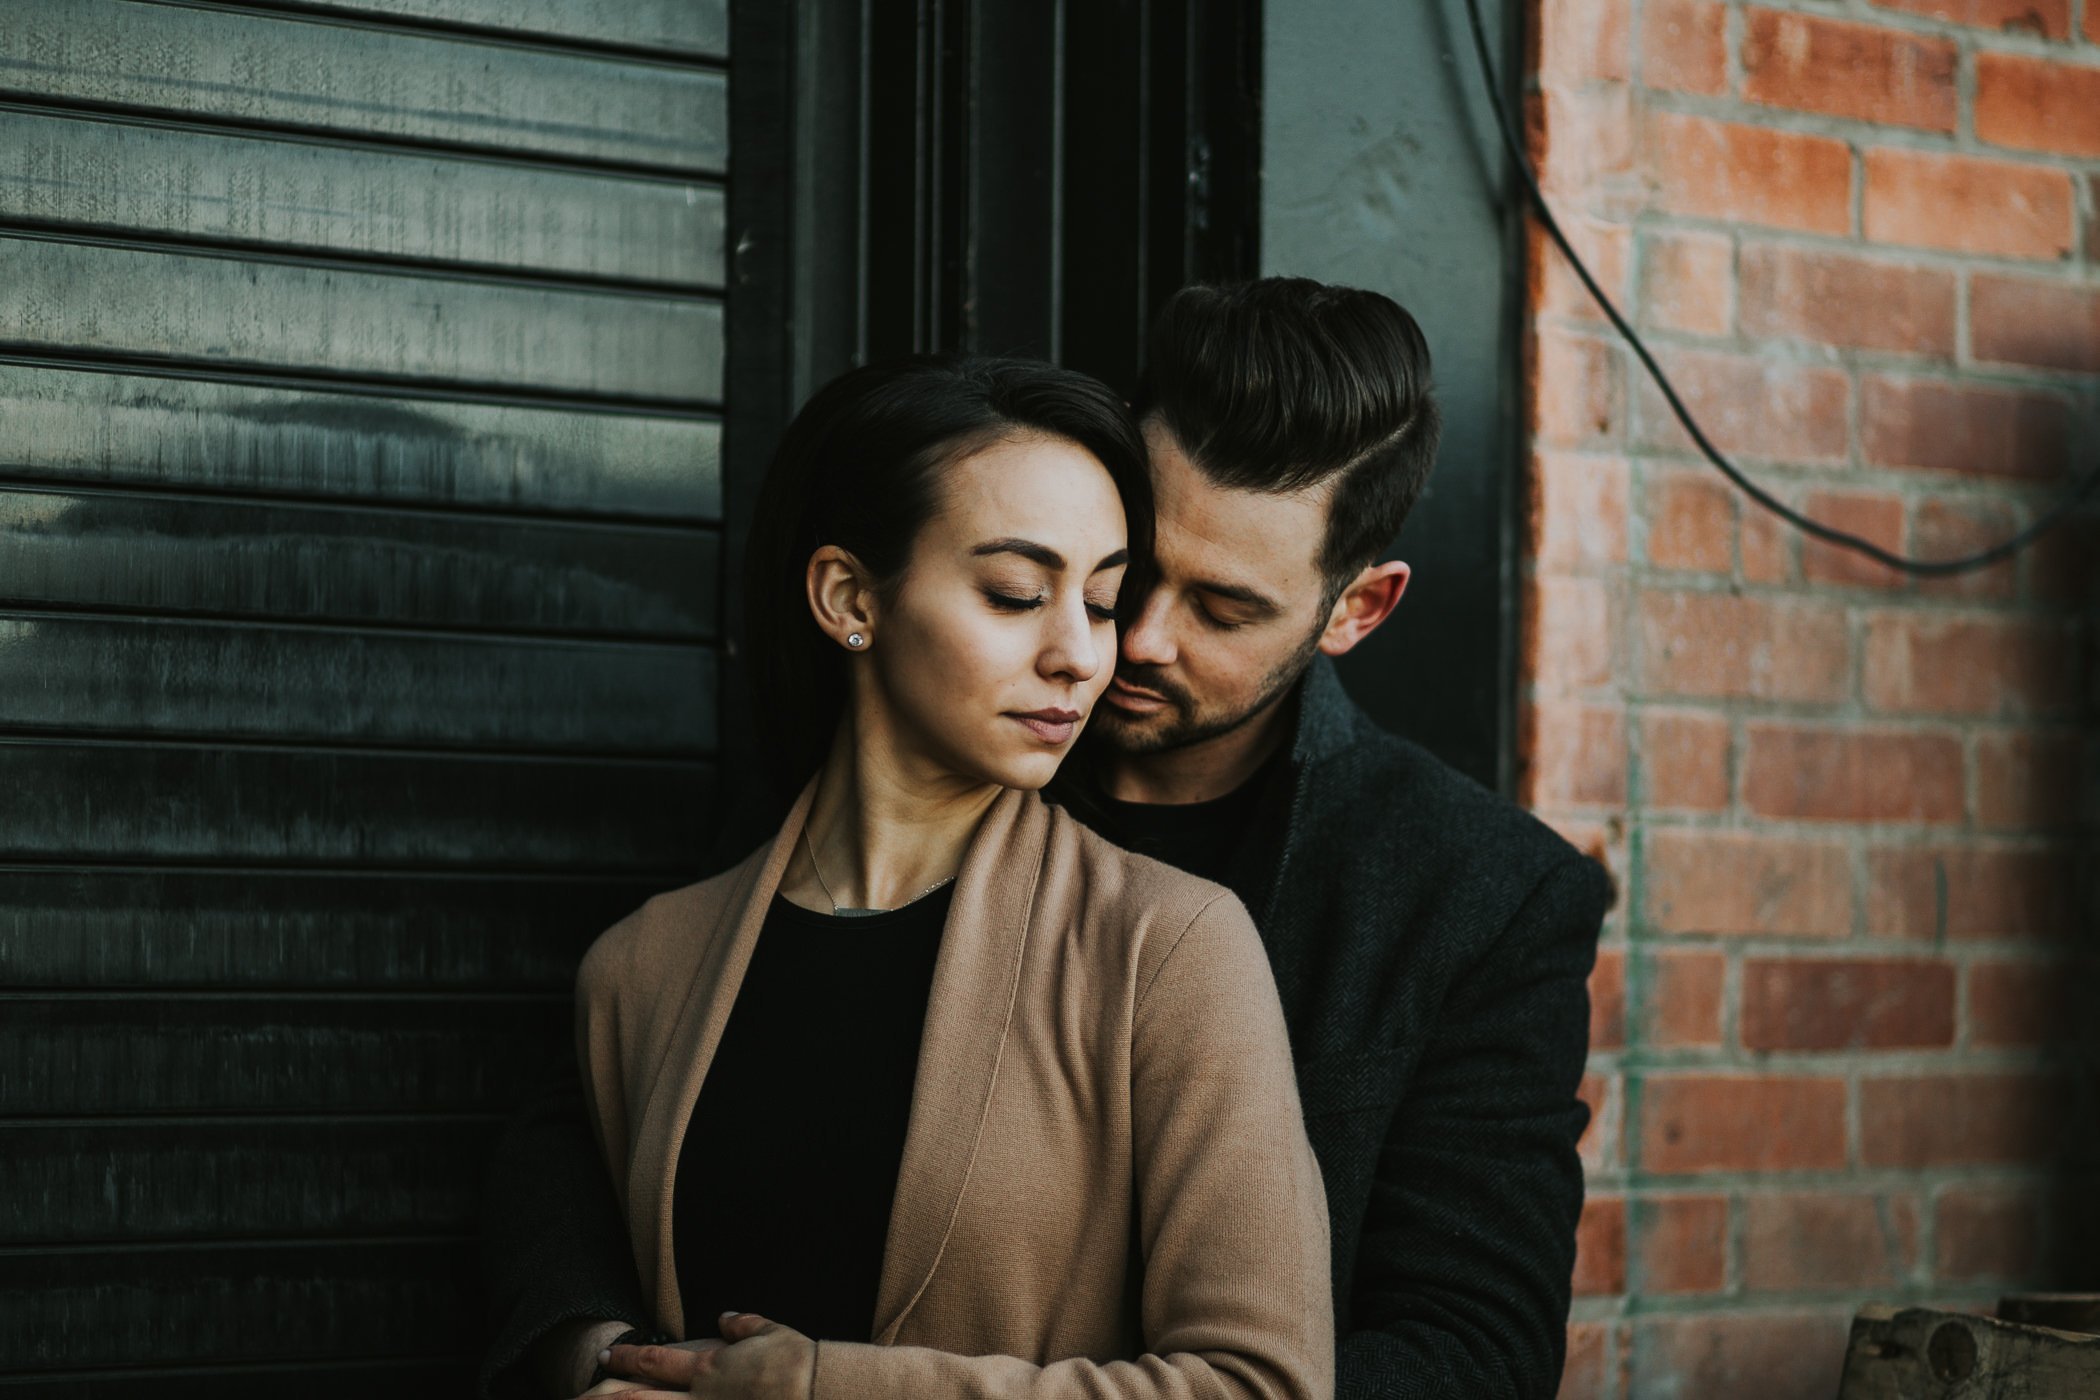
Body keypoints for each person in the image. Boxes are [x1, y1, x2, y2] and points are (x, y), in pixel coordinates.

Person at [483, 279, 1609, 1400]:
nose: (1133, 642)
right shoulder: (917, 737)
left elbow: (1472, 1347)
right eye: (1131, 576)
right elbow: (609, 1097)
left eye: (1222, 609)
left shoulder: (1473, 890)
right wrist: (603, 1354)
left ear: (1355, 609)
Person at [497, 354, 1333, 1400]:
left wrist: (824, 1387)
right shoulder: (642, 966)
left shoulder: (1168, 945)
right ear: (849, 596)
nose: (1082, 653)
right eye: (1017, 592)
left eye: (1105, 598)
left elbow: (1263, 1384)